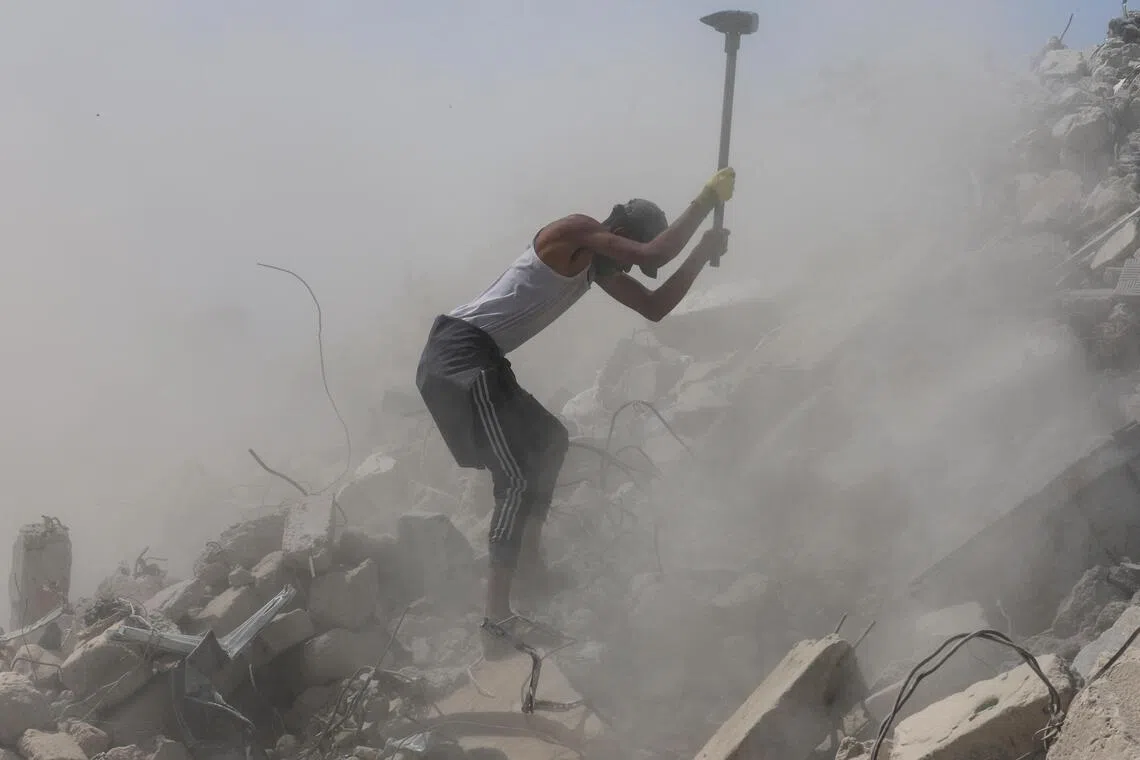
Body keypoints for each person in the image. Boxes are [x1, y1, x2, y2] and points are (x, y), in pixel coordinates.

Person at [415, 167, 736, 654]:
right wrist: (707, 199)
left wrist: (700, 254)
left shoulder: (592, 268)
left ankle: (532, 571)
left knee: (550, 440)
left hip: (485, 360)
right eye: (626, 259)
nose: (627, 271)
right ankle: (495, 618)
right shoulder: (574, 231)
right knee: (518, 477)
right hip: (458, 356)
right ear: (620, 237)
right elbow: (656, 254)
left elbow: (655, 306)